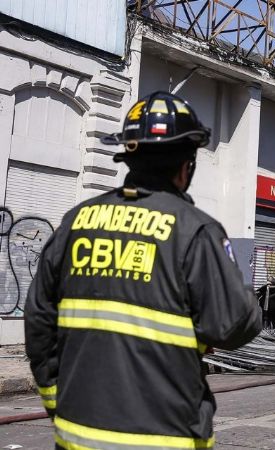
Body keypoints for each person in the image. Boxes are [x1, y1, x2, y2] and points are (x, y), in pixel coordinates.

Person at [24, 91, 262, 449]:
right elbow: (231, 324)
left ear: (130, 158)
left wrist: (57, 401)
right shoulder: (195, 231)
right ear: (187, 167)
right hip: (166, 438)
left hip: (77, 436)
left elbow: (39, 322)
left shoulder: (76, 223)